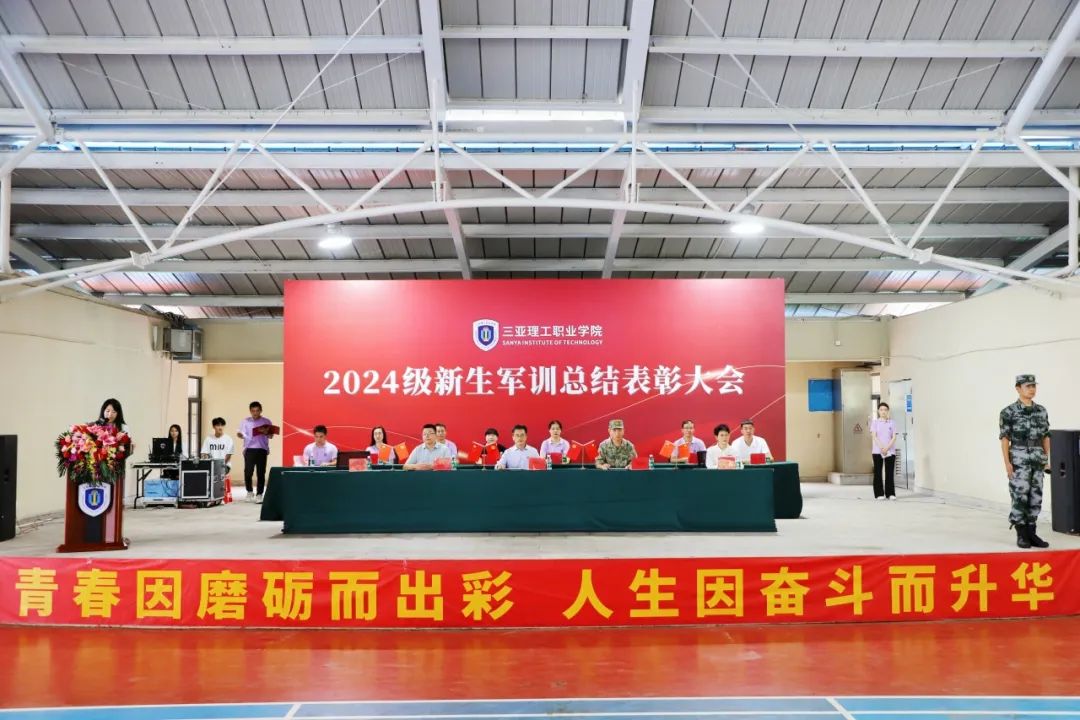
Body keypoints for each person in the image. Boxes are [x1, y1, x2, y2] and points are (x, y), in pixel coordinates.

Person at [1000, 374, 1052, 549]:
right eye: (1028, 386)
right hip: (1019, 459)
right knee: (1020, 496)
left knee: (1036, 496)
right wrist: (1007, 463)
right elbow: (1005, 439)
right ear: (1018, 388)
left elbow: (1046, 436)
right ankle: (1021, 534)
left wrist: (1046, 459)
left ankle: (1032, 533)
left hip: (1037, 458)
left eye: (1033, 386)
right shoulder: (1008, 412)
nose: (1032, 389)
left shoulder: (1041, 411)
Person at [237, 401, 273, 503]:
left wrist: (266, 432)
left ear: (261, 411)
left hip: (262, 449)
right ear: (250, 411)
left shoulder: (266, 421)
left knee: (261, 472)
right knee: (248, 472)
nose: (255, 413)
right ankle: (249, 491)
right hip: (249, 449)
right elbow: (240, 434)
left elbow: (271, 436)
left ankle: (259, 494)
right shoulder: (245, 421)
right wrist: (240, 435)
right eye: (253, 411)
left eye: (257, 411)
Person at [871, 403, 897, 500]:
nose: (883, 411)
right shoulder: (875, 423)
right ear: (878, 411)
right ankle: (879, 494)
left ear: (888, 411)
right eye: (881, 409)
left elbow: (894, 437)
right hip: (877, 451)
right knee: (878, 473)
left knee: (889, 473)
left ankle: (890, 493)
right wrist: (882, 448)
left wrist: (887, 448)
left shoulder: (892, 423)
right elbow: (874, 436)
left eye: (885, 410)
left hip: (890, 451)